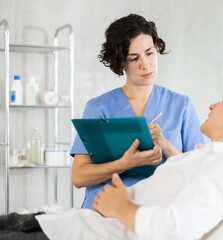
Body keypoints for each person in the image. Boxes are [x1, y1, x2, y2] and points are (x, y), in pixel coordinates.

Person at [35, 77, 223, 240]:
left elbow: (177, 228)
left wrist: (119, 206)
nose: (212, 106)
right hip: (75, 223)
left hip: (86, 232)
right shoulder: (209, 155)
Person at [70, 14, 207, 209]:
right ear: (121, 62)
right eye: (134, 58)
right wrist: (124, 164)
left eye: (150, 53)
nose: (145, 64)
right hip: (103, 214)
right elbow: (78, 177)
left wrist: (165, 145)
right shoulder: (98, 107)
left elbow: (200, 171)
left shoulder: (181, 105)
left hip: (158, 214)